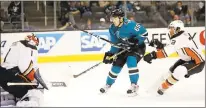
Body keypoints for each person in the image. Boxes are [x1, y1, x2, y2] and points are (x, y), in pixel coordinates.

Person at [143, 20, 205, 95]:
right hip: (186, 59)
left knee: (179, 70)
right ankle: (151, 91)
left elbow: (165, 53)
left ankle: (162, 88)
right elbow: (169, 48)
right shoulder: (180, 36)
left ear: (177, 29)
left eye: (171, 28)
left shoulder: (180, 38)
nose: (170, 30)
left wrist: (152, 55)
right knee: (168, 73)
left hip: (198, 62)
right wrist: (159, 46)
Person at [100, 9, 148, 96]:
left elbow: (144, 34)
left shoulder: (131, 25)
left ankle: (134, 85)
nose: (112, 20)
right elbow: (115, 44)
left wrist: (136, 41)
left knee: (131, 61)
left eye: (114, 18)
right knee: (116, 67)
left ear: (121, 18)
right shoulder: (112, 28)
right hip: (123, 48)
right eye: (112, 18)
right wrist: (111, 54)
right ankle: (108, 85)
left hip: (137, 47)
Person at [0, 33, 48, 107]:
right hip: (10, 74)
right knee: (29, 88)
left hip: (3, 72)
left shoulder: (17, 44)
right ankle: (24, 99)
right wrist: (33, 81)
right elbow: (24, 68)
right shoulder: (26, 47)